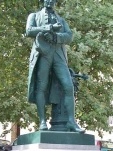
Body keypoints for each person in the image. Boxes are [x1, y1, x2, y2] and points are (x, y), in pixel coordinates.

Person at [26, 0, 84, 133]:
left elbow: (69, 36)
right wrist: (47, 28)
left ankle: (71, 121)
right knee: (41, 86)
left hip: (58, 54)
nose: (50, 1)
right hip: (43, 53)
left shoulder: (61, 20)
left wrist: (56, 37)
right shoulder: (34, 16)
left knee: (68, 86)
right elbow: (29, 31)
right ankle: (42, 122)